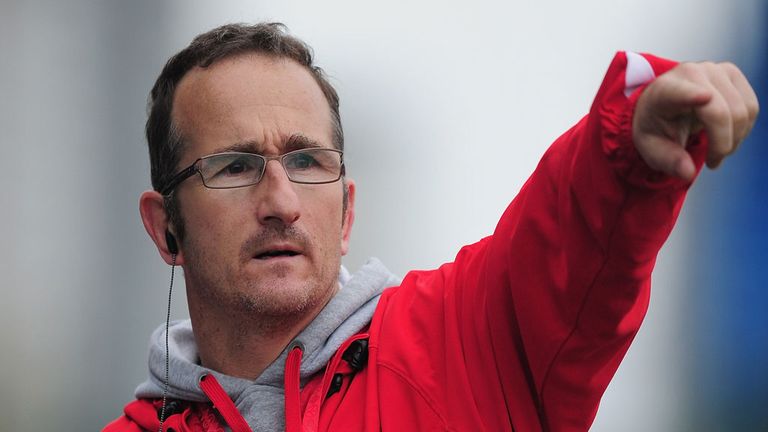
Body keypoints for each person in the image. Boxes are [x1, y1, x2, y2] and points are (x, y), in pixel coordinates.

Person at [103, 22, 759, 432]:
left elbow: (574, 234)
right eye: (235, 166)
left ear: (348, 212)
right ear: (165, 229)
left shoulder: (469, 342)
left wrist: (631, 144)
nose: (281, 201)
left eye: (307, 162)